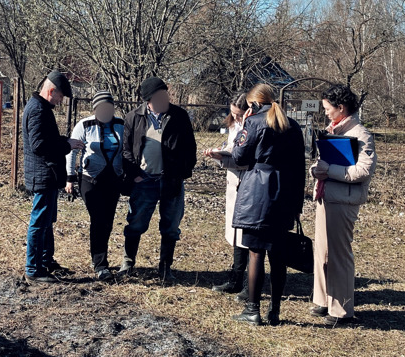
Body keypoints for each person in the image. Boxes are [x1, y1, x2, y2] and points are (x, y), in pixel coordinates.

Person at [231, 83, 305, 326]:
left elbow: (239, 156)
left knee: (255, 253)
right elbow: (300, 166)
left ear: (253, 104)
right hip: (285, 194)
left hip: (258, 195)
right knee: (278, 254)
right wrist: (297, 203)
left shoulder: (253, 123)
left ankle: (253, 309)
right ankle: (275, 311)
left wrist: (244, 126)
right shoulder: (293, 126)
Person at [310, 84, 376, 325]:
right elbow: (323, 162)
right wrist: (316, 170)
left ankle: (341, 310)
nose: (325, 111)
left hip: (343, 200)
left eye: (328, 107)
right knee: (322, 252)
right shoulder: (332, 129)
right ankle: (322, 300)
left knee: (338, 254)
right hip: (325, 196)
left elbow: (363, 171)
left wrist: (329, 171)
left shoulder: (361, 134)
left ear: (341, 107)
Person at [119, 76, 197, 282]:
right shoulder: (133, 117)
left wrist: (180, 173)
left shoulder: (179, 116)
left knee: (171, 226)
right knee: (135, 222)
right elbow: (126, 150)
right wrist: (134, 173)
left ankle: (165, 267)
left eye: (166, 95)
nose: (165, 99)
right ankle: (128, 261)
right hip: (143, 180)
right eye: (160, 96)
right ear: (148, 100)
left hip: (171, 180)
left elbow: (190, 149)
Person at [22, 70, 85, 284]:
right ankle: (33, 268)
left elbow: (46, 139)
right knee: (39, 222)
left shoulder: (40, 107)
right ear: (51, 91)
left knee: (47, 221)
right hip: (43, 174)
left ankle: (46, 261)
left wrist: (65, 141)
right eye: (59, 97)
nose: (59, 102)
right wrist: (66, 145)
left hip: (47, 174)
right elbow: (40, 146)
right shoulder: (38, 110)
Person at [66, 91, 125, 281]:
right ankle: (100, 264)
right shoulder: (84, 125)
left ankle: (100, 258)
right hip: (90, 179)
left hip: (113, 179)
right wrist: (70, 177)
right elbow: (72, 151)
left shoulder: (121, 124)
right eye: (102, 108)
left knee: (107, 221)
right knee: (98, 219)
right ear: (95, 109)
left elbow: (128, 149)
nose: (106, 111)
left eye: (109, 107)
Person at [203, 93, 249, 295]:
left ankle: (246, 280)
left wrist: (222, 157)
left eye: (239, 115)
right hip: (233, 182)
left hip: (246, 183)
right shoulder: (234, 126)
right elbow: (232, 148)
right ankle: (236, 276)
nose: (236, 118)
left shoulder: (254, 127)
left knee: (246, 235)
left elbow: (244, 157)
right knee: (236, 234)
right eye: (233, 114)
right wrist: (218, 153)